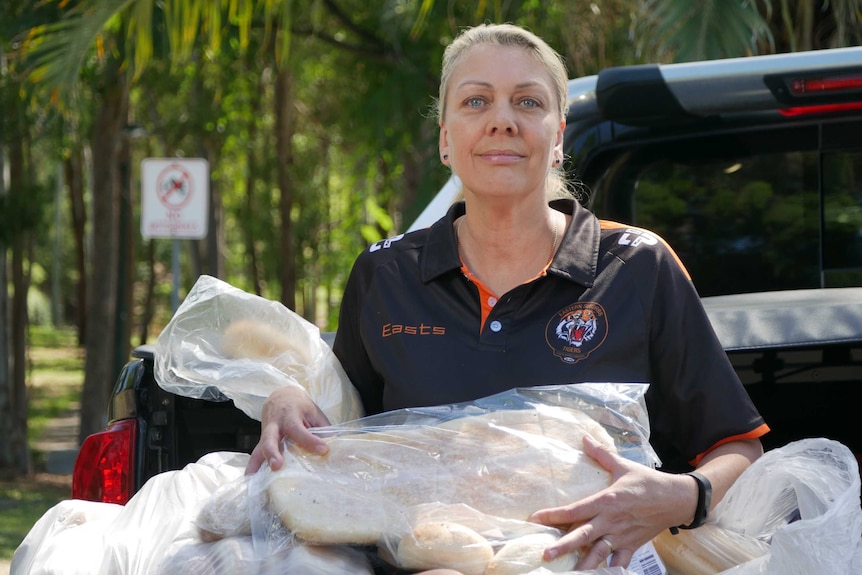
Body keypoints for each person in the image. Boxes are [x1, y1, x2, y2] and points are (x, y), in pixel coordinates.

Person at [246, 22, 769, 572]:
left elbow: (738, 447)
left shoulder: (638, 266)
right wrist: (291, 399)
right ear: (446, 139)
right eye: (476, 101)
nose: (502, 120)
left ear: (559, 137)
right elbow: (347, 437)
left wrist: (681, 497)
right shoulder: (385, 273)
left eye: (527, 101)